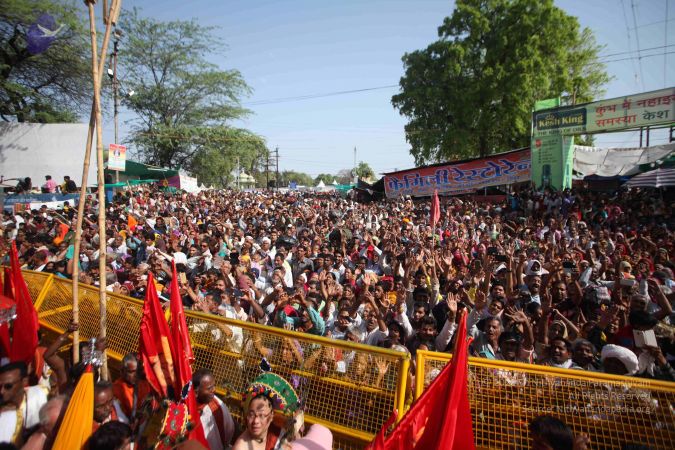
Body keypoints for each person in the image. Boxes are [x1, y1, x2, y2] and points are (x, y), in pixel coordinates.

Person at [0, 362, 49, 445]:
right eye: (0, 386)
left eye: (8, 386)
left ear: (24, 381)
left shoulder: (42, 394)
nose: (2, 391)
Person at [193, 368, 235, 450]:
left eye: (214, 386)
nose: (214, 390)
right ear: (196, 392)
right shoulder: (186, 411)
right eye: (209, 388)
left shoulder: (216, 405)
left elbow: (229, 429)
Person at [112, 354, 151, 425]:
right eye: (131, 372)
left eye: (138, 371)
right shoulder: (117, 389)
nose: (136, 375)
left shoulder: (145, 383)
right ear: (122, 371)